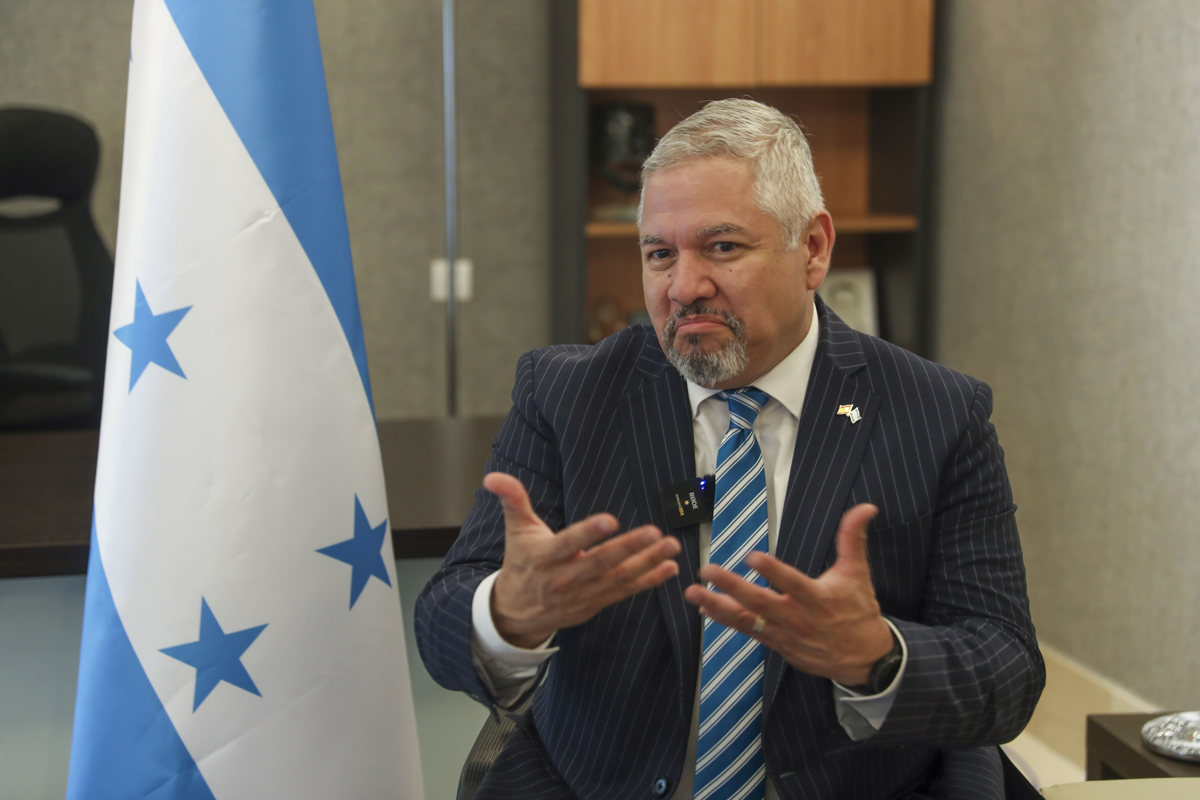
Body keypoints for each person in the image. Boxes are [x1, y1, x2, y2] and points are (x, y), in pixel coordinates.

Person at [415, 98, 1044, 799]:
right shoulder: (566, 395)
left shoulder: (939, 413)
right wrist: (508, 613)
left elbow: (1007, 671)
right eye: (659, 254)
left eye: (722, 247)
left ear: (812, 249)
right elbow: (443, 620)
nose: (684, 287)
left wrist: (878, 658)